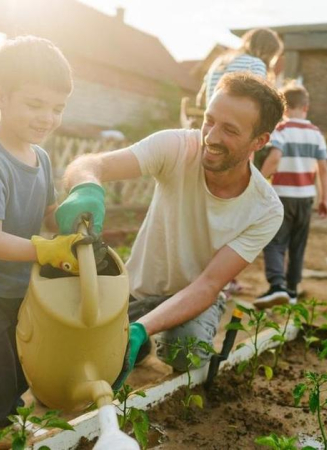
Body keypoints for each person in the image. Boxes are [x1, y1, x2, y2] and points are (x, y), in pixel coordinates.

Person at [56, 72, 285, 386]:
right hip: (137, 289)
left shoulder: (266, 209)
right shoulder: (177, 147)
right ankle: (145, 337)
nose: (211, 137)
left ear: (259, 141)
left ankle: (151, 333)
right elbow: (91, 164)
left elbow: (208, 285)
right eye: (210, 120)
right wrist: (86, 189)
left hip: (194, 297)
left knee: (184, 351)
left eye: (230, 130)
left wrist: (140, 327)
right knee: (78, 363)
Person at [0, 36, 93, 450]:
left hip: (16, 289)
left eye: (57, 108)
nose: (47, 117)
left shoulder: (39, 157)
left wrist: (71, 218)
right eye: (35, 104)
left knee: (16, 382)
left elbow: (45, 211)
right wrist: (47, 250)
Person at [254, 81, 327, 309]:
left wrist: (256, 181)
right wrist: (324, 198)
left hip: (282, 197)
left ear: (284, 108)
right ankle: (293, 290)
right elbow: (324, 168)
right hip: (306, 198)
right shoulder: (315, 133)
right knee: (298, 244)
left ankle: (277, 285)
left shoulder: (282, 130)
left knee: (274, 241)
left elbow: (275, 157)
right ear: (306, 107)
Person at [196, 28, 283, 108]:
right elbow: (259, 100)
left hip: (213, 116)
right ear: (268, 52)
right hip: (237, 119)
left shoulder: (220, 60)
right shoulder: (255, 64)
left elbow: (201, 97)